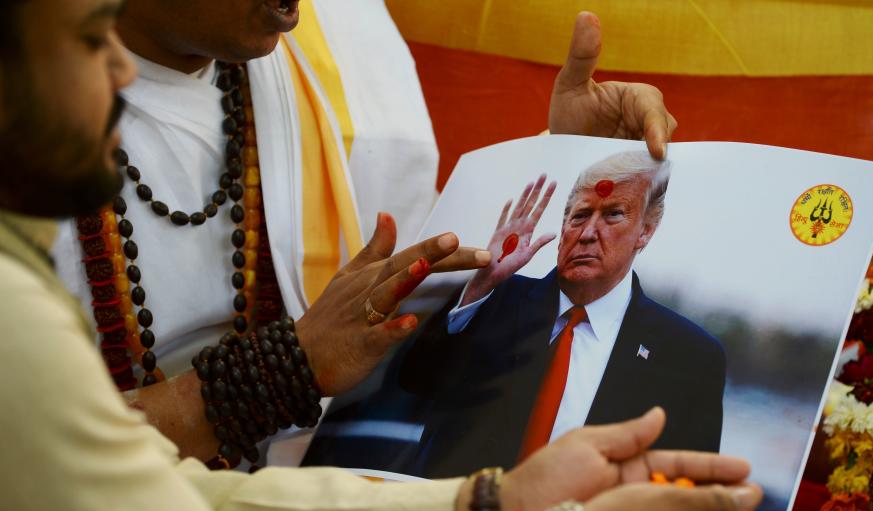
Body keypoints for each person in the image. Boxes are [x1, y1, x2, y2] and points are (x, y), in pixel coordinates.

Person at [0, 0, 763, 511]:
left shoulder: (348, 44)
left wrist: (495, 506)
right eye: (89, 35)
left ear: (648, 228)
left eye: (611, 212)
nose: (121, 73)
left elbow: (188, 501)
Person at [48, 0, 681, 467]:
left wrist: (566, 158)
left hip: (330, 499)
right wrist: (288, 369)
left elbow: (416, 307)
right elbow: (28, 457)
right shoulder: (31, 103)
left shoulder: (344, 38)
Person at [396, 151, 726, 478]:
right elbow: (413, 382)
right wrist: (480, 286)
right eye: (580, 216)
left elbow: (686, 490)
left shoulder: (691, 356)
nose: (587, 233)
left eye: (612, 215)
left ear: (646, 231)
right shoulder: (491, 299)